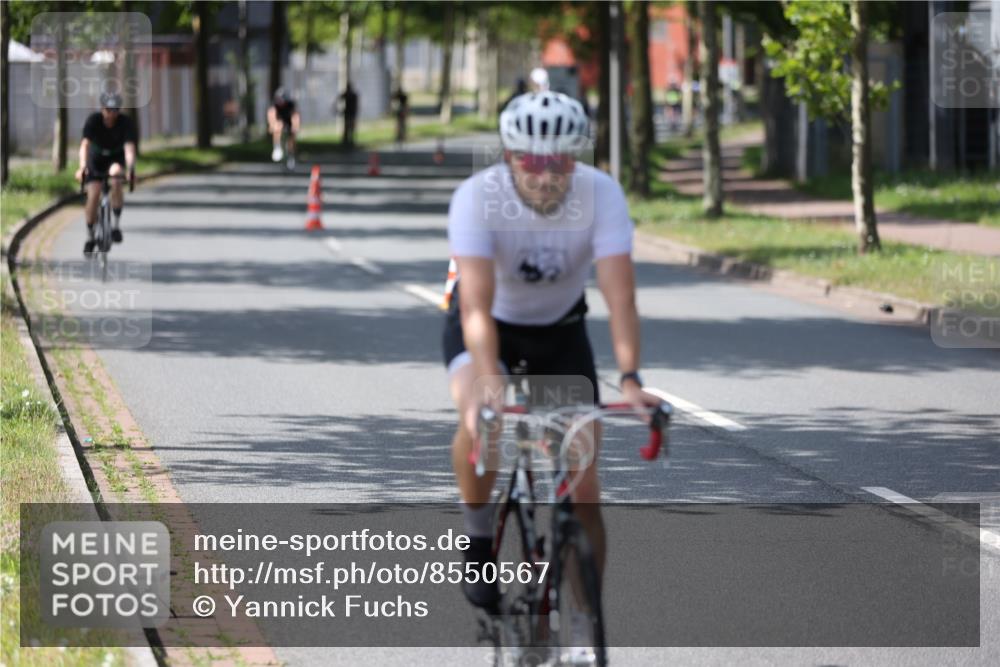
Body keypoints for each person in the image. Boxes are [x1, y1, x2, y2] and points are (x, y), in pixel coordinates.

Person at [443, 91, 662, 611]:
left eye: (559, 161)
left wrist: (629, 376)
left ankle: (586, 629)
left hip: (560, 330)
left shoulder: (602, 194)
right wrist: (489, 383)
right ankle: (477, 541)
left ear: (576, 158)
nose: (546, 176)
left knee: (585, 485)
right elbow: (474, 308)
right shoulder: (476, 197)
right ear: (508, 158)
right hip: (485, 323)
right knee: (480, 423)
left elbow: (619, 294)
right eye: (532, 162)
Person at [75, 92, 136, 256]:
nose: (111, 113)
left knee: (116, 177)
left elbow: (129, 148)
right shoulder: (93, 121)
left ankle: (115, 225)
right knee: (93, 194)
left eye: (115, 110)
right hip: (96, 159)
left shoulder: (125, 123)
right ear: (102, 109)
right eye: (108, 110)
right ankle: (90, 236)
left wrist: (130, 169)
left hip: (115, 158)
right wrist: (82, 167)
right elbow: (85, 145)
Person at [267, 87, 300, 169]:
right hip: (279, 120)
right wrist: (272, 125)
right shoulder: (275, 105)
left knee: (291, 137)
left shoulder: (290, 104)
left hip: (288, 120)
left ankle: (291, 155)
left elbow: (295, 116)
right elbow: (271, 114)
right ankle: (277, 147)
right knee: (278, 127)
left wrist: (295, 126)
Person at [338, 83, 359, 149]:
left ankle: (349, 142)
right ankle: (347, 142)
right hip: (349, 114)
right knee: (348, 128)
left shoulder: (352, 95)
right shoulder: (350, 95)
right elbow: (339, 98)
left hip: (350, 114)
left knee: (350, 128)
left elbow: (356, 105)